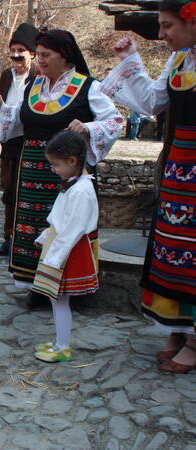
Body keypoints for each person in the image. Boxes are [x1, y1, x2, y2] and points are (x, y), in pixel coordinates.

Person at [0, 29, 123, 308]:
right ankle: (37, 286)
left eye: (46, 55)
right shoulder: (34, 85)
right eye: (38, 55)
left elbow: (114, 121)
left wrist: (88, 127)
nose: (41, 60)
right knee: (33, 229)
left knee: (65, 228)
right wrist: (1, 108)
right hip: (31, 171)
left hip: (68, 175)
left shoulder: (88, 87)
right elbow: (19, 120)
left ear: (65, 56)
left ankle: (71, 289)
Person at [101, 0, 195, 373]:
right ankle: (176, 328)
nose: (162, 34)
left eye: (168, 25)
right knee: (171, 247)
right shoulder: (179, 61)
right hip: (177, 167)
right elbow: (153, 101)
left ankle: (193, 338)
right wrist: (132, 61)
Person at [31, 131, 99, 363]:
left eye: (56, 164)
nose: (54, 169)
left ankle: (63, 346)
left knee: (59, 298)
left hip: (67, 251)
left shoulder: (81, 191)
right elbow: (61, 218)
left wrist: (54, 258)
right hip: (60, 245)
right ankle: (60, 341)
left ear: (72, 161)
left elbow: (72, 229)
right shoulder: (73, 185)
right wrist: (46, 235)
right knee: (55, 298)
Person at [0, 23, 39, 257]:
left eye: (21, 52)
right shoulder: (6, 76)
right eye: (13, 51)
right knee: (8, 191)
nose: (16, 57)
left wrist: (5, 108)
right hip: (9, 143)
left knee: (25, 193)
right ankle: (8, 238)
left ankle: (25, 240)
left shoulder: (38, 77)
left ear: (32, 53)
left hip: (29, 143)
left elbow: (29, 110)